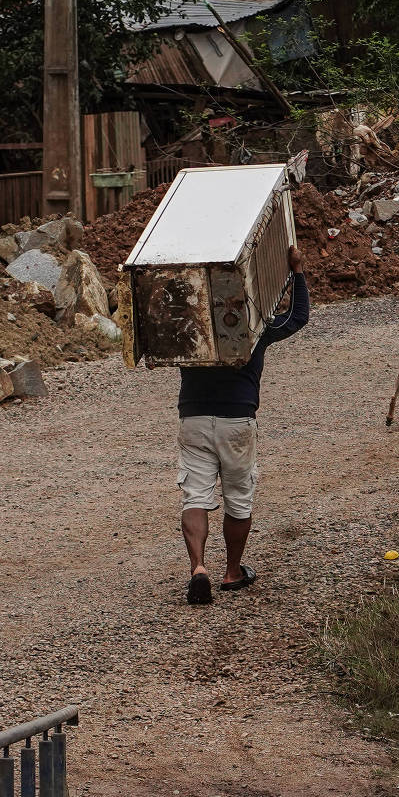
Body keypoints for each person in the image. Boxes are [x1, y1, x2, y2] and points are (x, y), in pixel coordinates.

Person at [176, 245, 309, 604]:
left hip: (193, 419)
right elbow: (297, 318)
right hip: (237, 421)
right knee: (238, 500)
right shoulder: (255, 327)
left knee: (196, 495)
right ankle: (232, 572)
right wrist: (296, 271)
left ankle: (198, 567)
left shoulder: (191, 326)